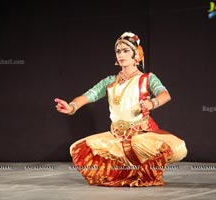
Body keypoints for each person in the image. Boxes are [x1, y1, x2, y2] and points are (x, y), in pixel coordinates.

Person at [55, 32, 187, 187]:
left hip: (141, 137)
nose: (121, 54)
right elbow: (87, 96)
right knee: (78, 148)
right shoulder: (110, 82)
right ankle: (127, 172)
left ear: (136, 54)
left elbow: (165, 94)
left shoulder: (147, 78)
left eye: (126, 50)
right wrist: (71, 107)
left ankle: (143, 170)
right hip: (116, 139)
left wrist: (152, 103)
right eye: (118, 51)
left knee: (177, 149)